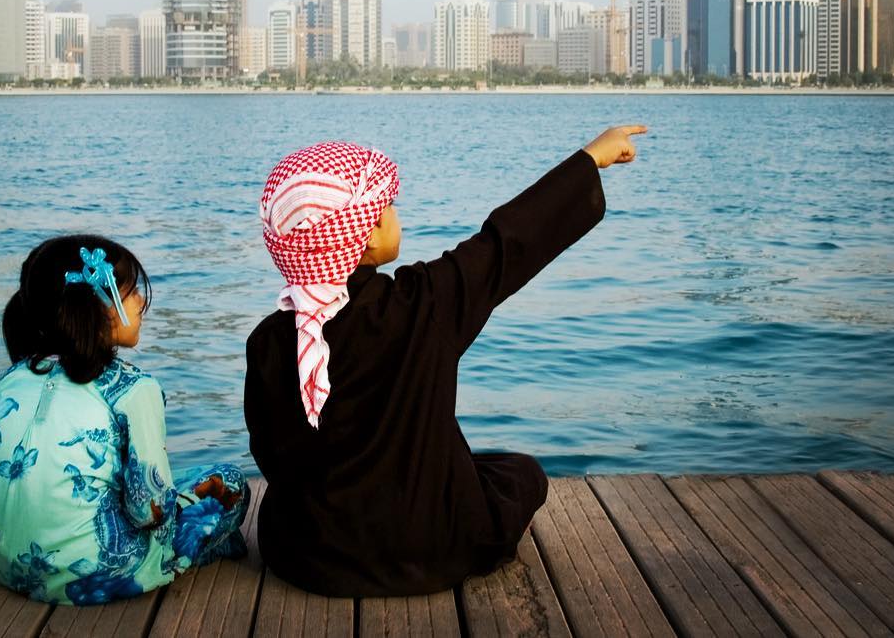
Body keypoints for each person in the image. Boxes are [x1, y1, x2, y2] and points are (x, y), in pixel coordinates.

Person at [245, 126, 647, 597]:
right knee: (522, 475)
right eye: (386, 205)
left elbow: (271, 455)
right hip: (429, 550)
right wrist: (590, 160)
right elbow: (506, 245)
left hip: (310, 556)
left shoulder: (268, 342)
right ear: (367, 235)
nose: (395, 213)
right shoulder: (423, 305)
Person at [0, 235, 249, 605]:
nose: (141, 302)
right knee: (229, 483)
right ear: (94, 307)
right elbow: (149, 513)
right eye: (130, 292)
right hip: (93, 574)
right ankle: (197, 553)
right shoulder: (132, 388)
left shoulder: (13, 378)